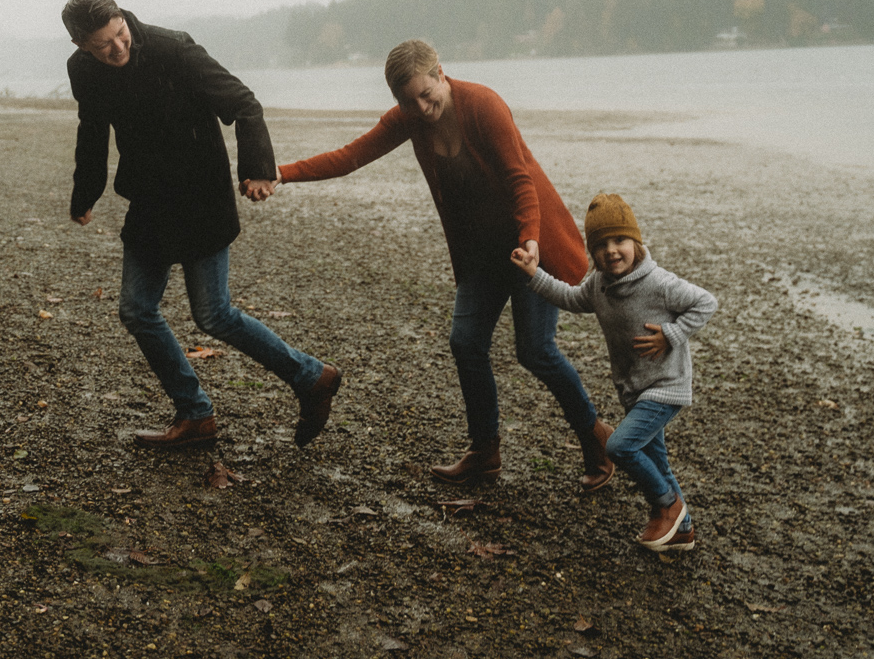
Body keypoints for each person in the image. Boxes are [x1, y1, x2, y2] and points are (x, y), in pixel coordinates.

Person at [275, 39, 614, 488]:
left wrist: (530, 239)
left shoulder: (483, 105)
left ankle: (596, 438)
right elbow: (351, 157)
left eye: (425, 93)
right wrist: (281, 172)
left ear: (440, 73)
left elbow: (521, 180)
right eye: (406, 101)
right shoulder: (409, 119)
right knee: (466, 342)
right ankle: (484, 452)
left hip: (530, 245)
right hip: (480, 253)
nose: (420, 107)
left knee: (535, 351)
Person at [63, 0, 342, 450]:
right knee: (137, 311)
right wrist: (85, 192)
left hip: (201, 199)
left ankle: (312, 378)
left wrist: (255, 169)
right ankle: (194, 412)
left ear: (122, 18)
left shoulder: (174, 49)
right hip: (150, 202)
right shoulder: (82, 72)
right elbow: (92, 130)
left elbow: (244, 104)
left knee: (213, 314)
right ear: (81, 47)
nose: (119, 48)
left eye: (120, 33)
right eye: (103, 45)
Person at [511, 193, 718, 552]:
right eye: (601, 245)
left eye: (620, 241)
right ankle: (682, 528)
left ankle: (668, 506)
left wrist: (671, 335)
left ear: (636, 242)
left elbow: (705, 302)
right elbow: (570, 298)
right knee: (655, 459)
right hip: (634, 389)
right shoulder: (598, 284)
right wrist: (534, 274)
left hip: (666, 385)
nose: (611, 251)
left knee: (620, 446)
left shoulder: (659, 283)